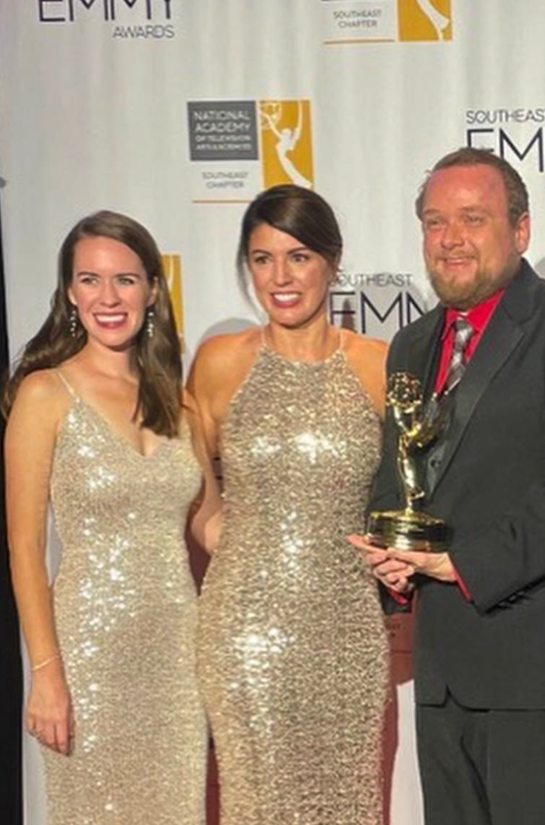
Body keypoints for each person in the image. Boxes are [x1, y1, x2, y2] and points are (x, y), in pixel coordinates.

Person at [354, 147, 545, 825]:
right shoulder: (410, 344)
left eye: (473, 218)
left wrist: (464, 562)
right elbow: (403, 477)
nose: (450, 238)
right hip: (445, 665)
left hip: (536, 664)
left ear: (521, 229)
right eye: (434, 221)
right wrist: (392, 560)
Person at [2, 211, 217, 824]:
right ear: (69, 292)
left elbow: (211, 524)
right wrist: (46, 674)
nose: (108, 297)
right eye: (89, 280)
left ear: (152, 289)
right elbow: (23, 548)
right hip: (88, 656)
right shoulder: (45, 393)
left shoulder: (180, 402)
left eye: (124, 280)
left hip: (178, 659)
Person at [189, 184, 389, 825]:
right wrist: (245, 544)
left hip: (349, 630)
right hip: (245, 631)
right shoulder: (220, 363)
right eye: (262, 258)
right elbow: (196, 493)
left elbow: (410, 494)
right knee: (259, 803)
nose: (281, 277)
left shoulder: (381, 367)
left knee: (347, 804)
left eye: (299, 257)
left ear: (333, 261)